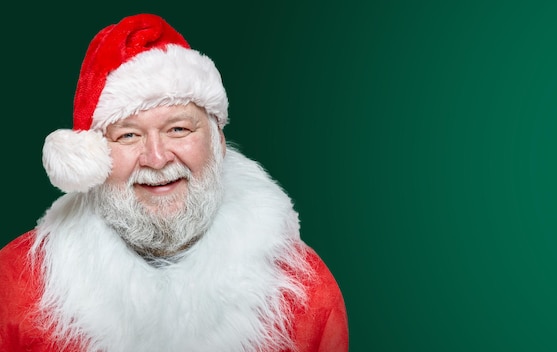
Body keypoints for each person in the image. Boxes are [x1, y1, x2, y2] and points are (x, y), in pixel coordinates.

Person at [0, 13, 348, 352]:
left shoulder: (304, 293)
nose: (156, 157)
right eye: (128, 135)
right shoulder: (15, 287)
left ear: (218, 143)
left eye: (178, 129)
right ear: (93, 158)